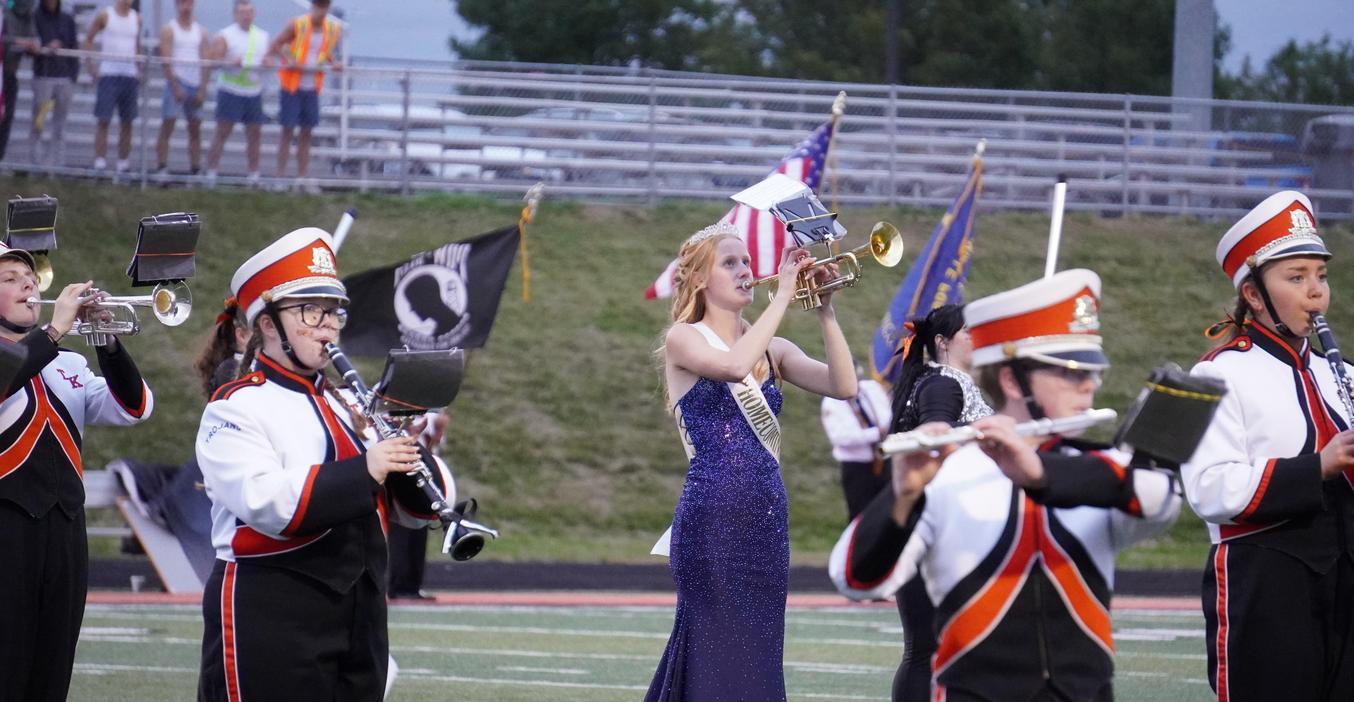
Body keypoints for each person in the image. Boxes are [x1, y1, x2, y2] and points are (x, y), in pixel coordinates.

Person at [829, 269, 1182, 701]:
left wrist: (1039, 473)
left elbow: (1160, 498)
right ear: (1014, 381)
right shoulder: (951, 475)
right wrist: (901, 495)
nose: (1088, 384)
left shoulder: (1099, 469)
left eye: (1092, 371)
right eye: (1069, 372)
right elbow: (855, 577)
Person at [196, 227, 450, 701]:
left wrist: (414, 459)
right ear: (268, 324)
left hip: (361, 610)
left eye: (334, 312)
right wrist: (368, 468)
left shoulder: (348, 404)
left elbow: (414, 512)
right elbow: (269, 504)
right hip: (274, 608)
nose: (328, 325)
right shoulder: (236, 407)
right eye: (311, 311)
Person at [646, 222, 857, 701]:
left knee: (758, 654)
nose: (745, 271)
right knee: (715, 653)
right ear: (700, 279)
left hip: (765, 518)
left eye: (746, 262)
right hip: (712, 518)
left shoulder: (774, 350)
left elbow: (845, 386)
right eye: (730, 263)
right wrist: (783, 292)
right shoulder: (685, 338)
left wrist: (826, 312)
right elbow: (734, 367)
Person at [1182, 190, 1354, 701]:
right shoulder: (1211, 375)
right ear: (1254, 295)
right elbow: (1208, 490)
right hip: (1268, 582)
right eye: (1296, 277)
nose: (1315, 293)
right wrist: (1317, 467)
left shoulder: (1344, 374)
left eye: (1320, 276)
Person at [0, 242, 155, 701]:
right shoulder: (44, 347)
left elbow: (135, 407)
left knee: (53, 668)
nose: (27, 284)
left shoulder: (68, 362)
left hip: (65, 531)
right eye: (9, 279)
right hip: (6, 531)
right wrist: (54, 330)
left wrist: (107, 342)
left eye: (28, 277)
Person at [873, 302, 993, 702]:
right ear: (942, 342)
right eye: (970, 332)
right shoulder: (944, 383)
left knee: (933, 647)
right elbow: (934, 438)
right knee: (926, 648)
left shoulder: (946, 381)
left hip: (939, 523)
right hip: (933, 528)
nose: (980, 338)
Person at [267, 0, 341, 193]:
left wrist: (335, 63)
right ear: (312, 7)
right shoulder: (297, 24)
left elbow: (324, 51)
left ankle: (301, 177)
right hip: (292, 86)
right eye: (318, 7)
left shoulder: (332, 28)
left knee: (307, 133)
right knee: (287, 131)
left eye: (324, 7)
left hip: (312, 87)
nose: (321, 12)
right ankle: (280, 178)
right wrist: (290, 60)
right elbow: (277, 44)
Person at [203, 0, 269, 187]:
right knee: (222, 133)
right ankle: (211, 173)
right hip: (230, 91)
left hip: (253, 92)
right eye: (242, 12)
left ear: (253, 14)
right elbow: (214, 59)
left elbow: (268, 58)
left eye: (249, 12)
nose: (246, 16)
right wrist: (229, 61)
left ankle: (253, 175)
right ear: (235, 14)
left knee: (255, 135)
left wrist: (268, 62)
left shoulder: (262, 36)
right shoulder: (225, 35)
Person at [820, 367, 892, 520]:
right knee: (860, 514)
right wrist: (876, 434)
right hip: (857, 466)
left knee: (886, 511)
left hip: (883, 459)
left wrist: (886, 428)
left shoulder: (871, 388)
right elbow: (841, 437)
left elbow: (887, 412)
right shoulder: (832, 402)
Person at [83, 0, 141, 177]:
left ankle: (123, 163)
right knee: (103, 120)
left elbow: (137, 44)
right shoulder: (105, 15)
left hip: (129, 76)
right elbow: (88, 40)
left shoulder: (137, 18)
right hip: (108, 75)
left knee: (127, 122)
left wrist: (139, 68)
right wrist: (91, 67)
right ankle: (100, 163)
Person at [154, 0, 207, 177]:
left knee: (195, 129)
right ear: (177, 5)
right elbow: (166, 61)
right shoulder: (169, 30)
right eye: (183, 3)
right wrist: (175, 87)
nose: (187, 7)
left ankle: (195, 168)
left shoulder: (200, 32)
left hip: (194, 83)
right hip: (176, 83)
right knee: (168, 125)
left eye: (190, 3)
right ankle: (162, 167)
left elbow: (206, 62)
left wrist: (202, 89)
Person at [29, 0, 78, 169]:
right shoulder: (36, 17)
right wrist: (44, 47)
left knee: (60, 123)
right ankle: (36, 162)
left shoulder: (67, 19)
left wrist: (73, 76)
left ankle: (57, 163)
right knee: (40, 121)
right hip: (44, 79)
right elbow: (31, 46)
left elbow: (74, 46)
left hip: (64, 80)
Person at [1, 0, 36, 162]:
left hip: (9, 75)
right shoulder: (5, 12)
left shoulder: (27, 17)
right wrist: (16, 42)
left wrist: (32, 46)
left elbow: (32, 40)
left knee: (5, 120)